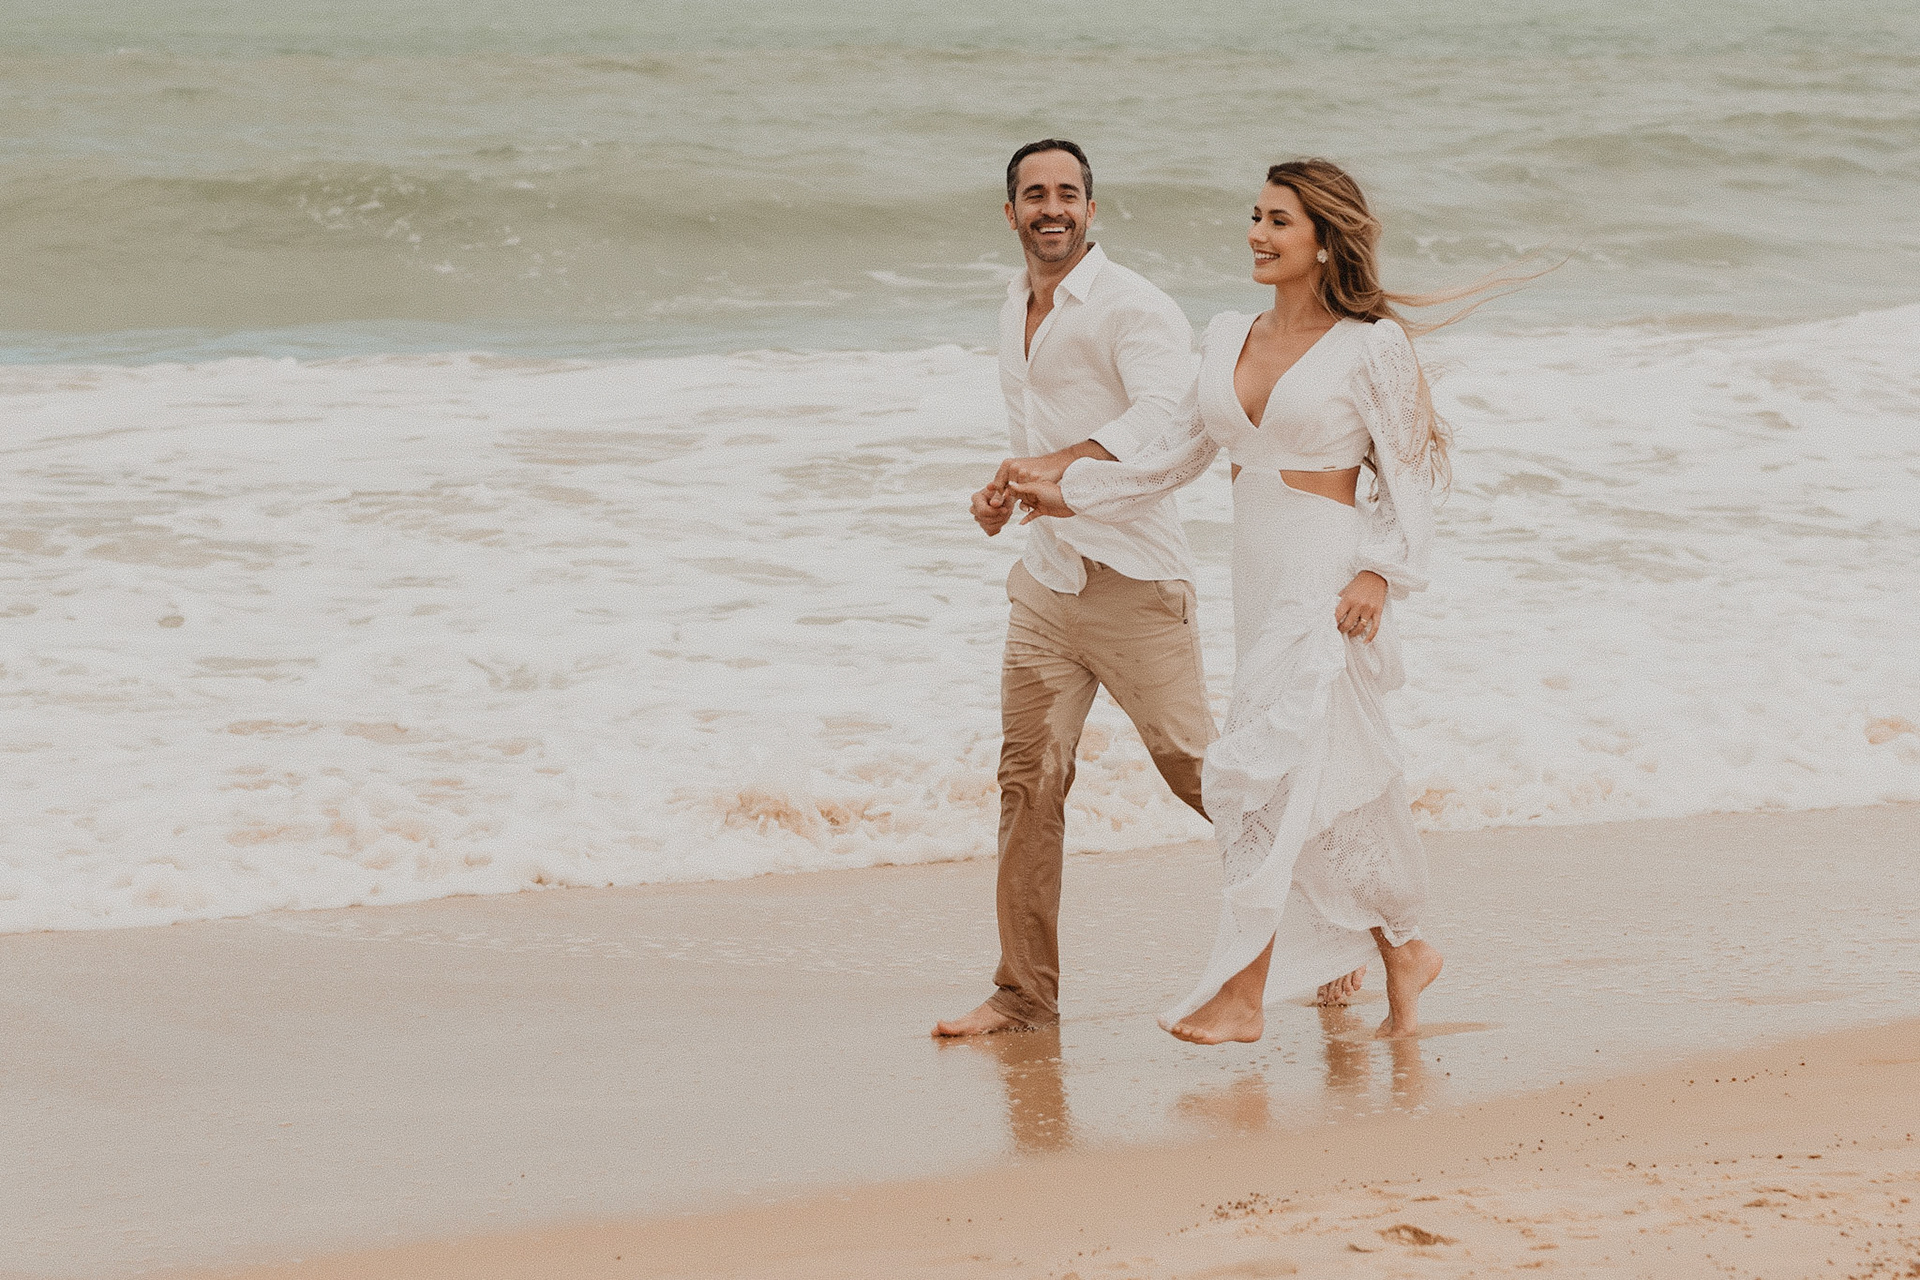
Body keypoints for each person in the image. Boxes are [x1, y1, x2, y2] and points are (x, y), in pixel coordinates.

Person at [1003, 158, 1474, 1043]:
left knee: (1251, 779)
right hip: (1258, 579)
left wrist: (1380, 574)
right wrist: (1060, 494)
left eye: (1280, 222)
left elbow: (1409, 477)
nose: (1258, 234)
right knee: (1324, 787)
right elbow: (1169, 460)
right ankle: (1405, 949)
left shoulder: (1369, 347)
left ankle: (1242, 994)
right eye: (1255, 216)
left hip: (1327, 579)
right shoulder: (1228, 336)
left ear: (1325, 239)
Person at [932, 139, 1216, 1038]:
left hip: (1135, 583)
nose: (1050, 208)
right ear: (1009, 211)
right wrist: (1008, 491)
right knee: (1027, 782)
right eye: (1032, 195)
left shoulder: (1135, 308)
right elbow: (1040, 437)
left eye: (1067, 194)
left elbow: (1168, 420)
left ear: (1093, 210)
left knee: (1204, 775)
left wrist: (1052, 467)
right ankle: (1024, 994)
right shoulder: (1015, 300)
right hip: (1048, 582)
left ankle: (1348, 929)